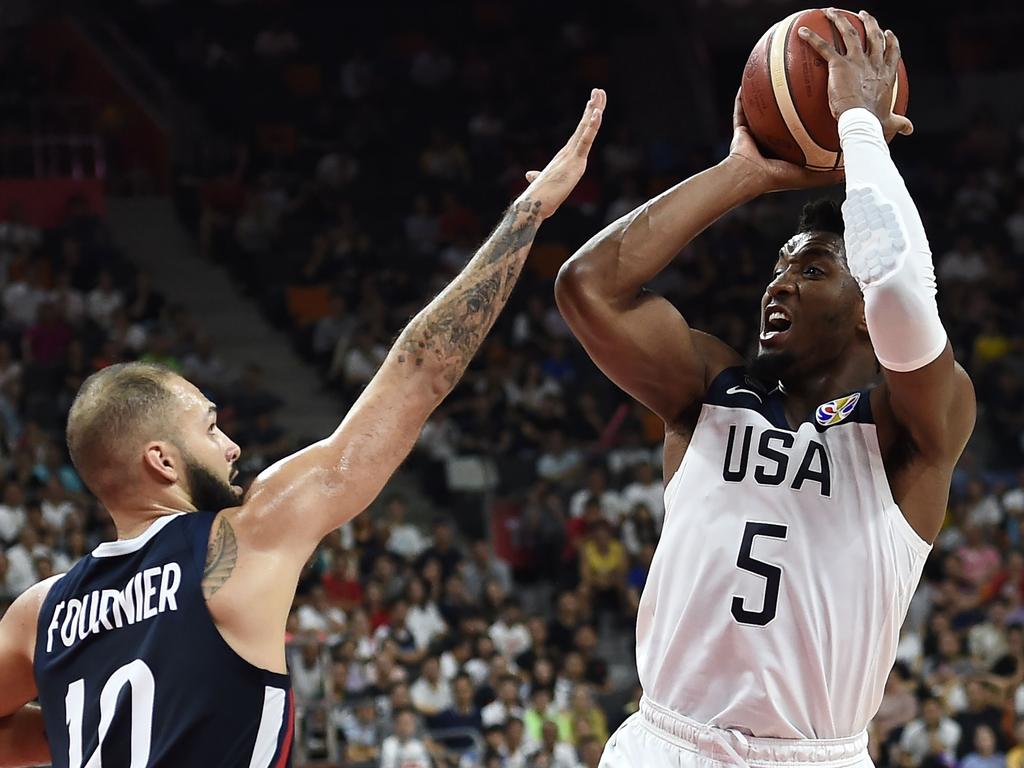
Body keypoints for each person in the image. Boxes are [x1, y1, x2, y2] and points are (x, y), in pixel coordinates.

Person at [0, 90, 606, 766]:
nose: (231, 447)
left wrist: (82, 729)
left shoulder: (39, 615)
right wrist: (530, 212)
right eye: (209, 428)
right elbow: (418, 373)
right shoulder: (243, 536)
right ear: (162, 461)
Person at [556, 11, 974, 768]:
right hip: (667, 742)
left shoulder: (907, 431)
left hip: (814, 756)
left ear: (860, 316)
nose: (779, 285)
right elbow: (590, 288)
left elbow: (906, 296)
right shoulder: (707, 391)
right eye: (778, 269)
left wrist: (858, 128)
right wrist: (743, 172)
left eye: (811, 270)